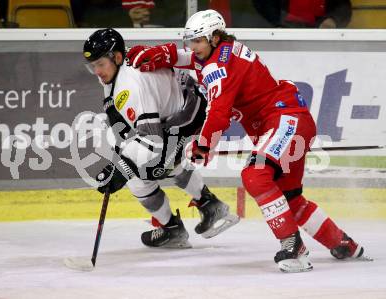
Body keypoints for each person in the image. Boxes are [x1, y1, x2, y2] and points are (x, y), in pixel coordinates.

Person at [126, 9, 371, 272]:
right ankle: (343, 243)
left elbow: (218, 112)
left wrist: (204, 144)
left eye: (197, 40)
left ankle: (293, 246)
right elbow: (189, 58)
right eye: (190, 40)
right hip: (289, 120)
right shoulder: (222, 52)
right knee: (291, 198)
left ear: (215, 37)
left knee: (255, 175)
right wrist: (166, 54)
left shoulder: (218, 66)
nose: (192, 47)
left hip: (284, 119)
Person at [83, 28, 239, 249]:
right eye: (93, 66)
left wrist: (121, 168)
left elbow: (153, 141)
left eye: (100, 64)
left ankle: (174, 229)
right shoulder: (116, 68)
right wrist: (126, 150)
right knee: (155, 164)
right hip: (182, 106)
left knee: (141, 176)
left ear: (116, 57)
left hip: (187, 115)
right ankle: (209, 205)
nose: (97, 71)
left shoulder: (129, 85)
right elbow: (120, 114)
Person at [252, 0, 352, 28]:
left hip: (319, 38)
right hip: (280, 38)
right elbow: (263, 4)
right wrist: (276, 24)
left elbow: (343, 6)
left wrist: (333, 20)